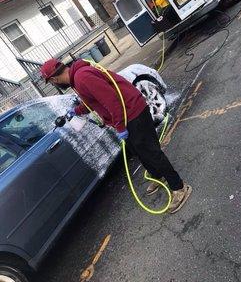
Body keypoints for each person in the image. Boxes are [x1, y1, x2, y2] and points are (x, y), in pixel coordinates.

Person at [40, 58, 192, 214]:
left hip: (133, 113)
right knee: (138, 151)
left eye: (51, 83)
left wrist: (120, 127)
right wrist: (76, 111)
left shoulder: (82, 77)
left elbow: (112, 100)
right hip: (129, 115)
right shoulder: (77, 79)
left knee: (151, 152)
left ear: (53, 79)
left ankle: (179, 187)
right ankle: (158, 175)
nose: (53, 84)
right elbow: (93, 101)